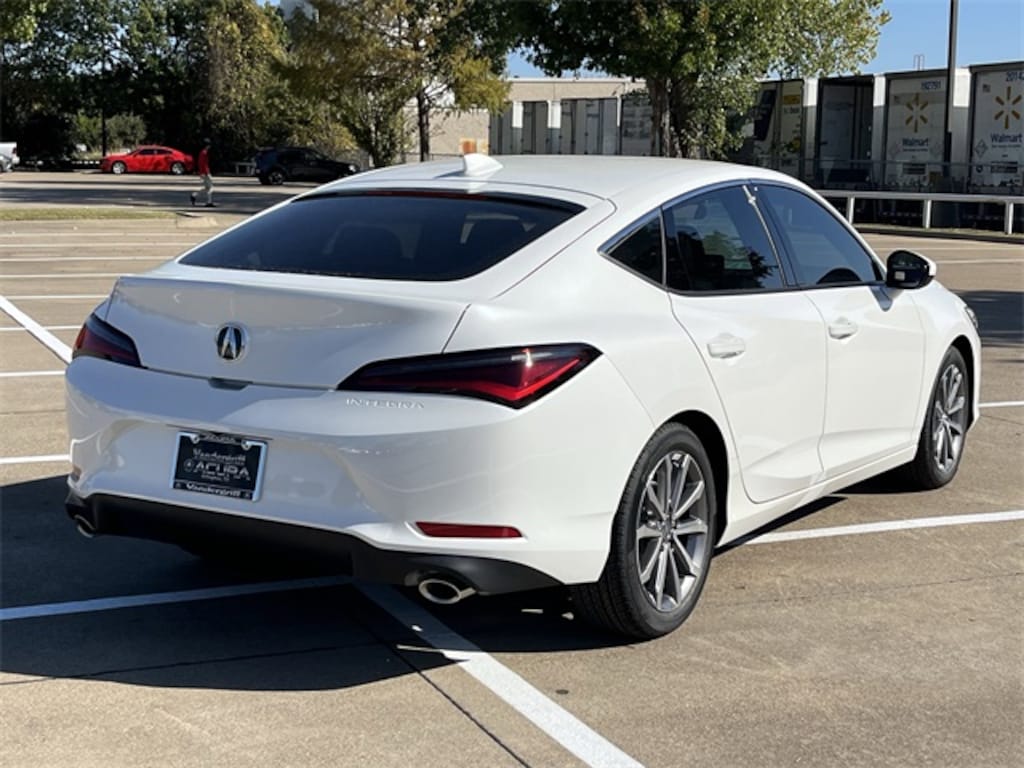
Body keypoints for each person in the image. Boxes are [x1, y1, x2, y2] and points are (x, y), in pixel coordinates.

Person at [190, 138, 215, 208]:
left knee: (207, 188)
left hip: (202, 172)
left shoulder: (202, 152)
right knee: (211, 187)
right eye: (209, 145)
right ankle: (209, 202)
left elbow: (200, 163)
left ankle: (194, 195)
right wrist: (207, 173)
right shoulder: (204, 153)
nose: (210, 146)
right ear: (207, 145)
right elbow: (204, 164)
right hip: (205, 172)